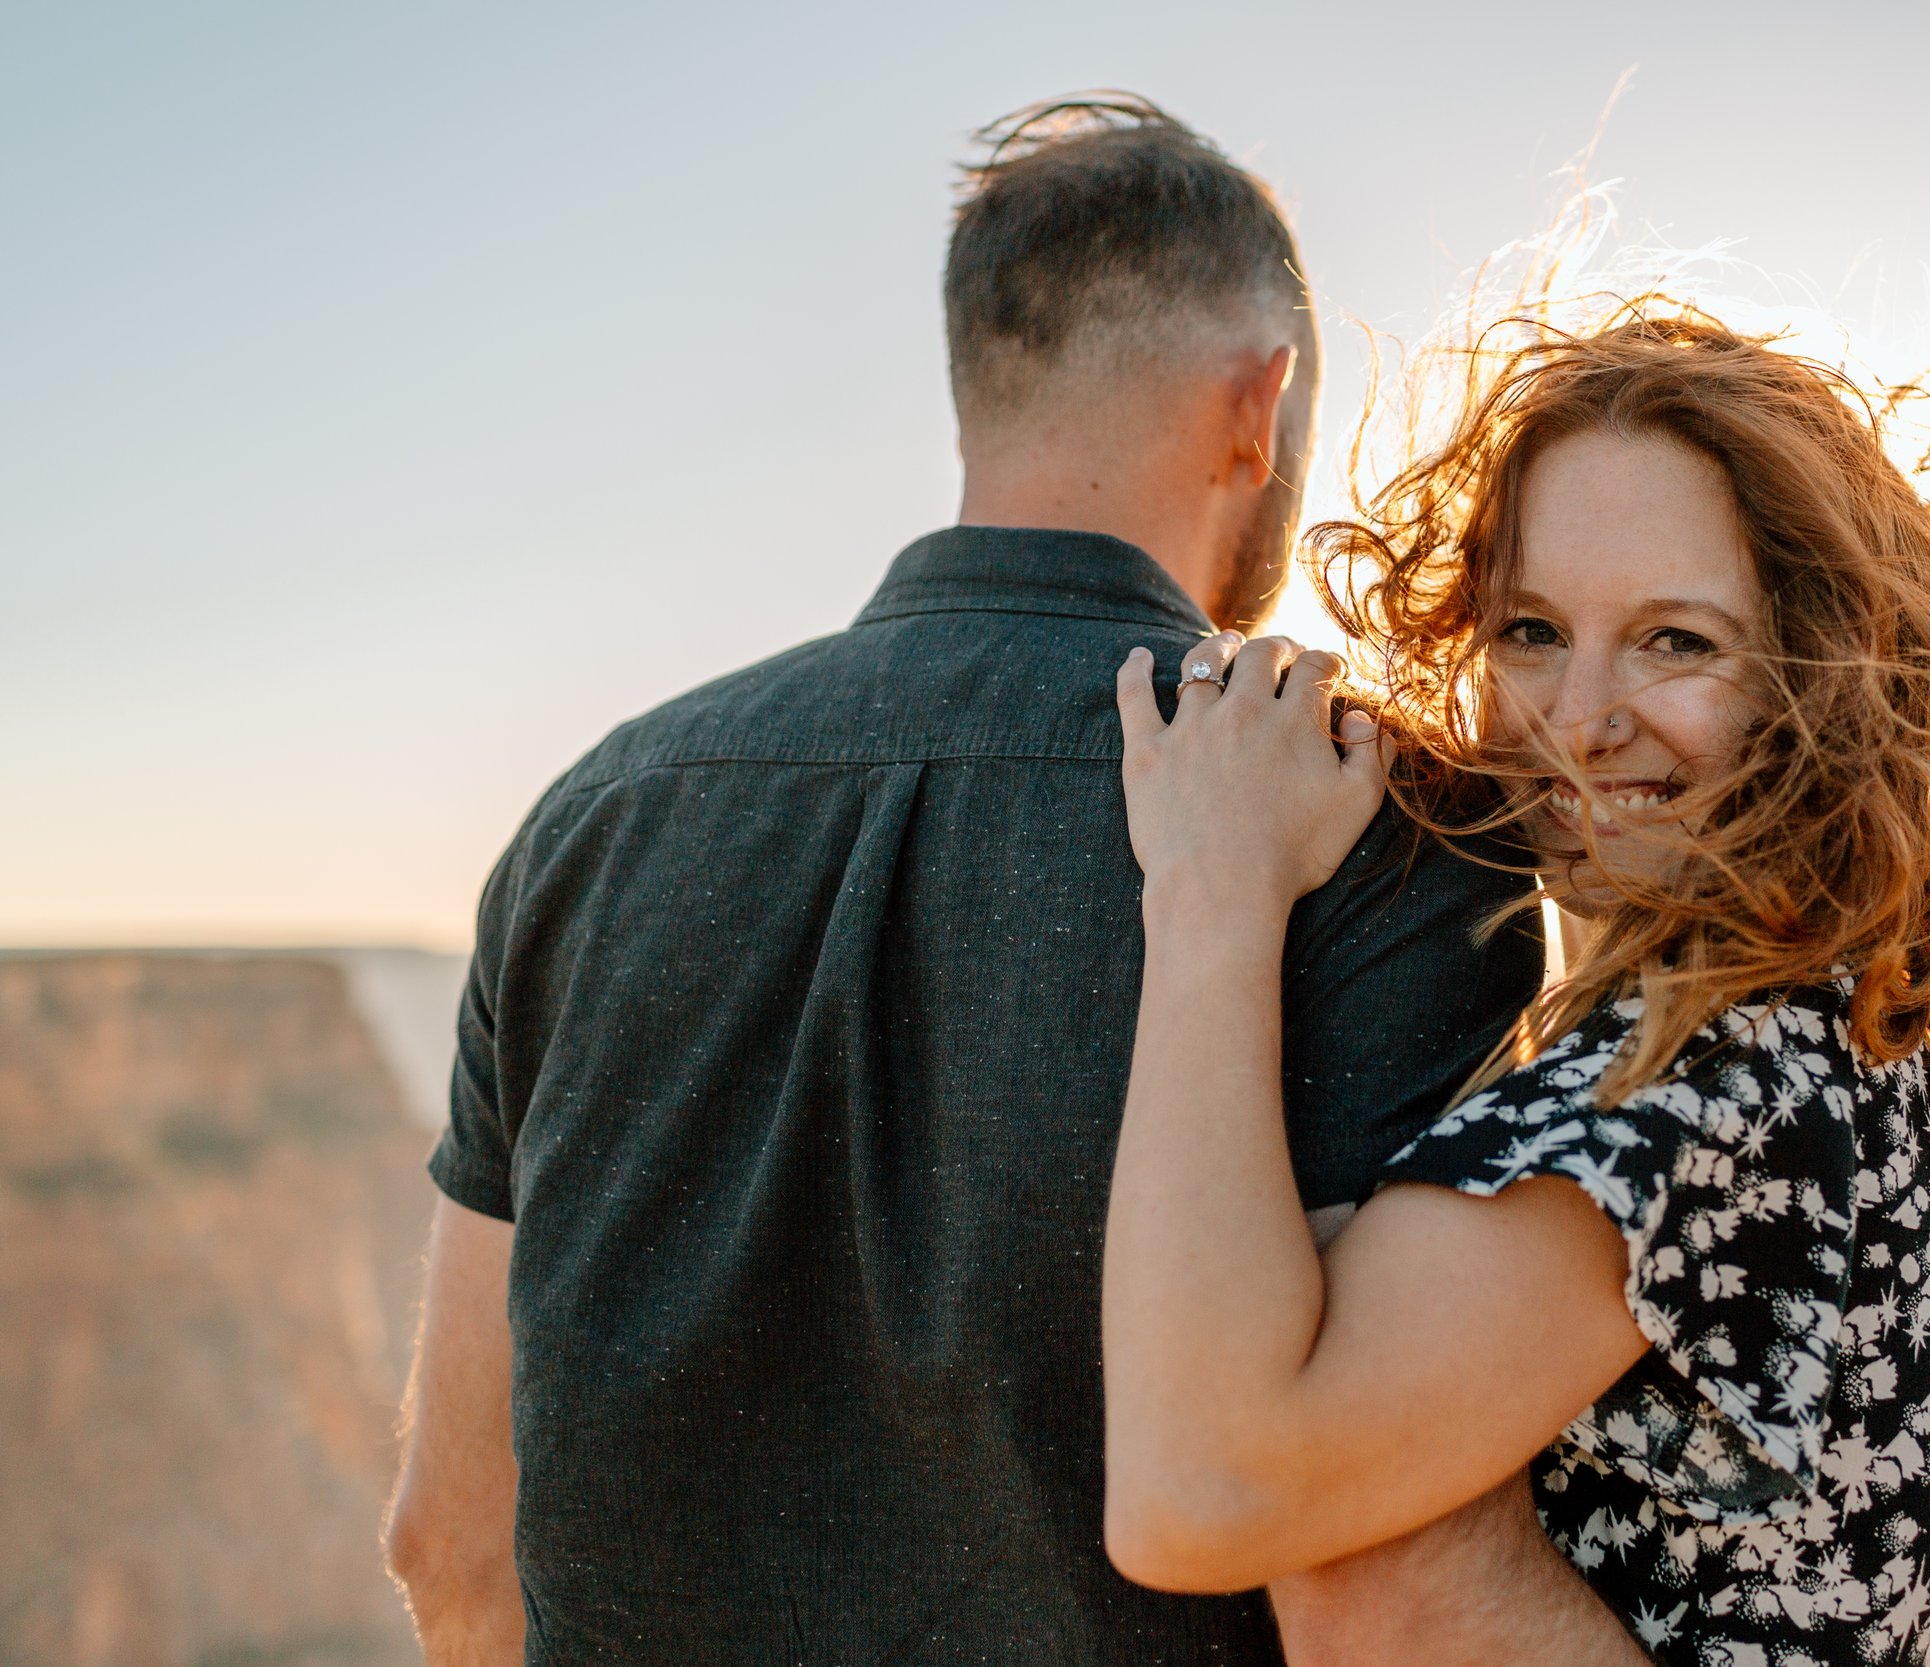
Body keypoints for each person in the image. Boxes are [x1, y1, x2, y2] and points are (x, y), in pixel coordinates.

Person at [381, 96, 1646, 1664]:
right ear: (1262, 410)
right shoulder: (1375, 829)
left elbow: (449, 1545)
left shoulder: (590, 823)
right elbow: (1378, 1599)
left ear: (982, 386)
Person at [1100, 307, 1930, 1660]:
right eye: (1533, 629)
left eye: (1676, 642)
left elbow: (1203, 1497)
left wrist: (1214, 889)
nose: (1580, 718)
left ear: (1824, 683)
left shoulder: (1715, 1090)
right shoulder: (1829, 1031)